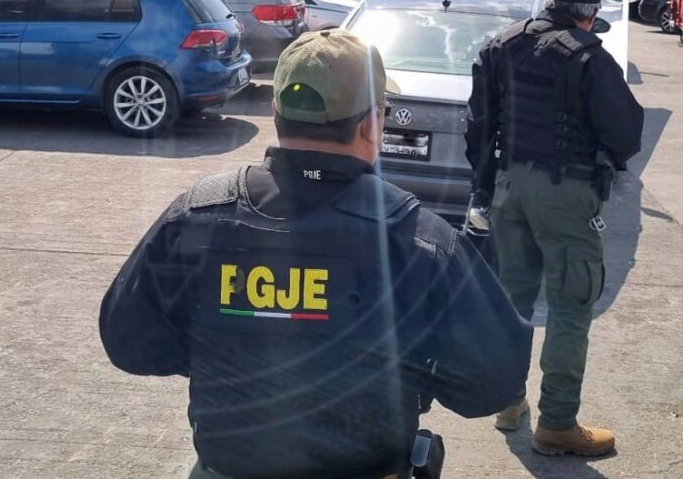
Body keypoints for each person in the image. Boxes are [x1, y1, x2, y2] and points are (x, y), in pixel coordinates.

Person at [100, 30, 533, 479]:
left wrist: (224, 355)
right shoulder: (420, 239)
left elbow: (128, 342)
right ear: (371, 124)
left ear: (276, 112)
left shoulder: (198, 214)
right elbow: (493, 383)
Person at [465, 0, 644, 457]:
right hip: (566, 193)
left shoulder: (502, 44)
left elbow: (478, 124)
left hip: (509, 187)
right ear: (590, 12)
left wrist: (485, 186)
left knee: (513, 299)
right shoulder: (589, 57)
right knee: (571, 302)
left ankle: (508, 403)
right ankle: (558, 424)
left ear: (550, 1)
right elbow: (625, 134)